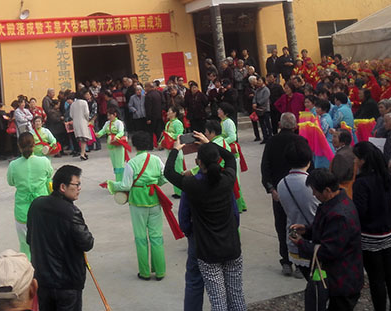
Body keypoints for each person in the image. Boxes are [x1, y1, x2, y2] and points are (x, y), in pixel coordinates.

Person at [165, 132, 245, 311]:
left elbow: (168, 173)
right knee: (236, 295)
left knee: (218, 300)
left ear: (197, 162)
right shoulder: (227, 180)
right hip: (232, 246)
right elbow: (230, 158)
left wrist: (176, 149)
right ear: (217, 161)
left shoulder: (192, 185)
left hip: (207, 249)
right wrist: (209, 144)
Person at [289, 169, 363, 311]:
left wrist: (300, 243)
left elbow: (328, 251)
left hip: (343, 280)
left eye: (315, 191)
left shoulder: (339, 215)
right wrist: (307, 230)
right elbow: (326, 230)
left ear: (327, 190)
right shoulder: (337, 203)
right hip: (340, 277)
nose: (313, 194)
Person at [27, 164, 95, 311]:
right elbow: (87, 242)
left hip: (42, 280)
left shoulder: (36, 205)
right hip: (67, 282)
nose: (79, 188)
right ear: (63, 187)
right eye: (76, 184)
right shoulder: (71, 212)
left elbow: (29, 238)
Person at [107, 131, 168, 280]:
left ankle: (145, 272)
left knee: (141, 238)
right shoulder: (156, 159)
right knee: (156, 236)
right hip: (154, 199)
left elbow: (126, 185)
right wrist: (155, 184)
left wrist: (111, 185)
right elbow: (164, 177)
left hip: (137, 202)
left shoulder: (131, 163)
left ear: (134, 145)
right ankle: (160, 271)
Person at [352, 142, 391, 311]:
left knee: (376, 278)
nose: (354, 162)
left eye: (356, 158)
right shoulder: (385, 176)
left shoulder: (361, 183)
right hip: (389, 231)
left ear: (363, 160)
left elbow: (360, 211)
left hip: (370, 236)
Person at [260, 112, 308, 276]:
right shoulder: (301, 141)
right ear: (295, 126)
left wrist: (271, 188)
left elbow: (265, 167)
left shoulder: (272, 141)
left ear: (280, 125)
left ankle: (286, 260)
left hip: (279, 192)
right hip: (299, 189)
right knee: (298, 224)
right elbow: (310, 165)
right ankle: (299, 261)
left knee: (282, 226)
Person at [276, 138, 318, 280]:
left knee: (311, 281)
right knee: (319, 281)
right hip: (313, 240)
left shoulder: (282, 184)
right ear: (309, 160)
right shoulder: (312, 183)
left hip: (294, 239)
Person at [7, 132, 53, 259]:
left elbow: (11, 182)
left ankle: (27, 268)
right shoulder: (44, 161)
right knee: (45, 243)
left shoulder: (13, 165)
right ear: (34, 145)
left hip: (22, 210)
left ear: (19, 146)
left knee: (25, 245)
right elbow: (49, 175)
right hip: (43, 208)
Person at [95, 107, 129, 181]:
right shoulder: (107, 123)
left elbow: (121, 132)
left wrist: (117, 137)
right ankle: (118, 179)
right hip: (111, 144)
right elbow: (103, 130)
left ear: (115, 114)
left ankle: (120, 180)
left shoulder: (119, 123)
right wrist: (98, 134)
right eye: (108, 115)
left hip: (118, 144)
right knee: (114, 164)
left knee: (119, 164)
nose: (109, 117)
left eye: (110, 115)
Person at [330, 130, 356, 198]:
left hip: (343, 189)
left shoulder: (340, 156)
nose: (332, 139)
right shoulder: (351, 149)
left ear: (343, 142)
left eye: (335, 137)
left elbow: (337, 176)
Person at [70, 90, 93, 161]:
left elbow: (71, 115)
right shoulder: (84, 102)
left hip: (75, 122)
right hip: (83, 122)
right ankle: (82, 154)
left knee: (80, 138)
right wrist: (88, 119)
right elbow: (86, 113)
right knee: (84, 138)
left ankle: (84, 152)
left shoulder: (73, 104)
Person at [252, 76, 273, 141]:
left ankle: (270, 136)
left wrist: (258, 103)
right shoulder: (257, 90)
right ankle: (265, 137)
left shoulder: (266, 90)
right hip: (259, 109)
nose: (258, 82)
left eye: (260, 81)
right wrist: (254, 103)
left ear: (263, 82)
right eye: (258, 81)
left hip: (265, 109)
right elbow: (254, 97)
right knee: (262, 124)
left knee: (267, 123)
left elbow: (265, 99)